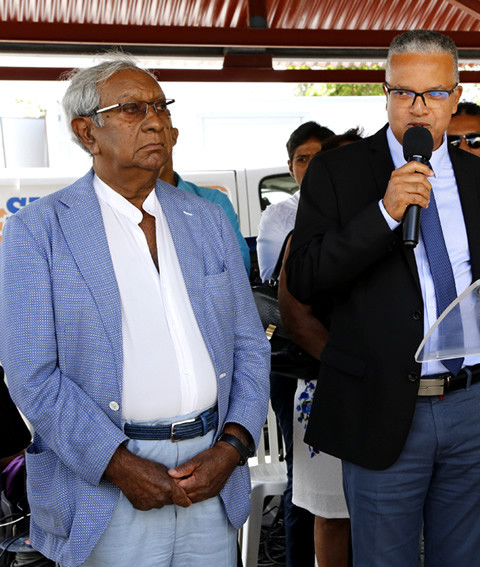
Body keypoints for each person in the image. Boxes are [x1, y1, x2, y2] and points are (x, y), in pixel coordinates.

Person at [0, 57, 270, 567]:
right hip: (105, 481)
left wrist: (232, 447)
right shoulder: (38, 232)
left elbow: (250, 347)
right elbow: (31, 376)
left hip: (210, 468)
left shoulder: (206, 219)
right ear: (87, 132)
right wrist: (118, 465)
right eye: (132, 109)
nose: (155, 122)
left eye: (160, 108)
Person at [285, 30, 480, 566]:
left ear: (455, 98)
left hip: (475, 401)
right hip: (382, 405)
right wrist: (384, 216)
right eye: (404, 93)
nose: (419, 108)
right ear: (385, 93)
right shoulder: (338, 173)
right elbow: (309, 277)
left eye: (434, 94)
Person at [278, 128, 364, 567]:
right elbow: (296, 319)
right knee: (332, 514)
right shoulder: (304, 238)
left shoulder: (396, 227)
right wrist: (350, 369)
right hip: (326, 385)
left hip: (389, 389)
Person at [159, 126, 251, 274]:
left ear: (173, 136)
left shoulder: (213, 202)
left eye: (157, 132)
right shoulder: (115, 208)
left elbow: (238, 270)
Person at [256, 121, 335, 282]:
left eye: (319, 158)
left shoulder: (354, 206)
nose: (312, 166)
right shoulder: (277, 216)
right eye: (302, 160)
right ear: (291, 168)